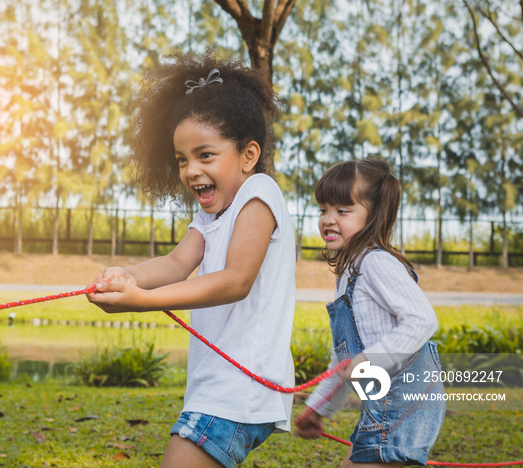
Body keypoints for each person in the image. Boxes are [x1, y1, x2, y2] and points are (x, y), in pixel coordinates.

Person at [86, 51, 296, 468]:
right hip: (219, 388)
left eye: (205, 155)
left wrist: (142, 301)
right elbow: (178, 261)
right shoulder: (212, 214)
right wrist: (128, 277)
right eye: (182, 159)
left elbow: (236, 280)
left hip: (238, 389)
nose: (190, 170)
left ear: (248, 155)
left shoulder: (259, 194)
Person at [294, 156, 445, 467]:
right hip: (383, 406)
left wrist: (369, 360)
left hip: (403, 403)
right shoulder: (348, 274)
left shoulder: (375, 263)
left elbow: (423, 320)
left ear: (373, 215)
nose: (328, 219)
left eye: (342, 210)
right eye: (324, 209)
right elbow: (344, 360)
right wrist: (319, 406)